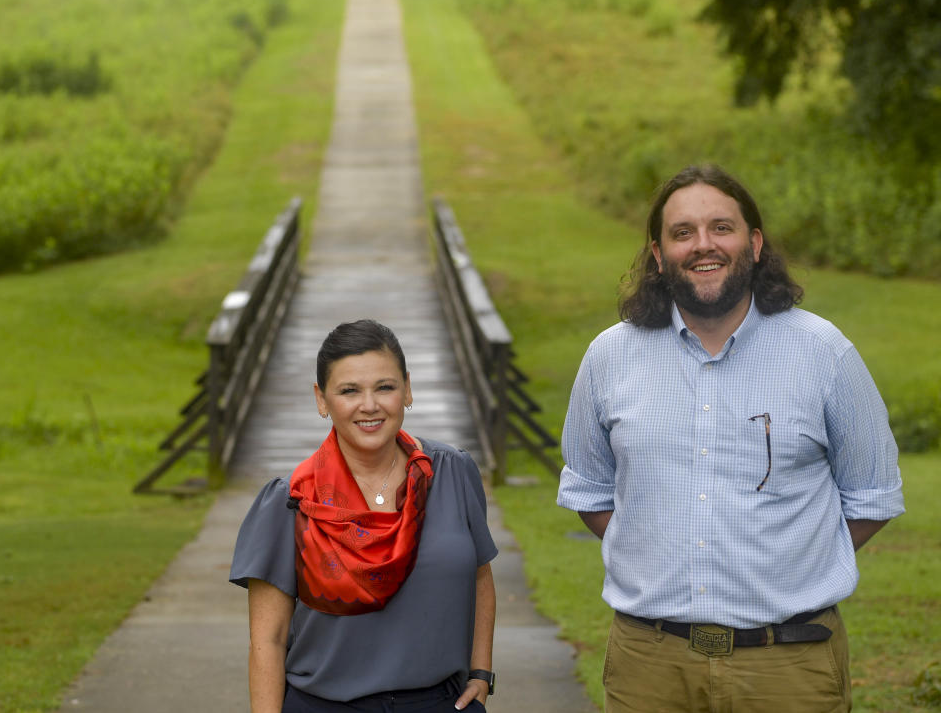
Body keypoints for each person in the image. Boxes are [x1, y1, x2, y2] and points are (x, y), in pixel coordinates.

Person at [557, 164, 904, 712]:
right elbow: (589, 489)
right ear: (656, 253)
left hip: (790, 666)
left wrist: (790, 566)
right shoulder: (610, 357)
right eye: (682, 232)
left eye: (722, 227)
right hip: (649, 666)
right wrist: (655, 552)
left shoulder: (823, 353)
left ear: (756, 243)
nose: (703, 245)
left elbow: (873, 493)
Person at [231, 319, 498, 712]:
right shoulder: (290, 501)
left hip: (440, 702)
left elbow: (479, 575)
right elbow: (267, 640)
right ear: (322, 400)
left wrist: (481, 672)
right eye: (349, 391)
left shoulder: (452, 472)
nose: (369, 405)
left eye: (385, 387)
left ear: (407, 389)